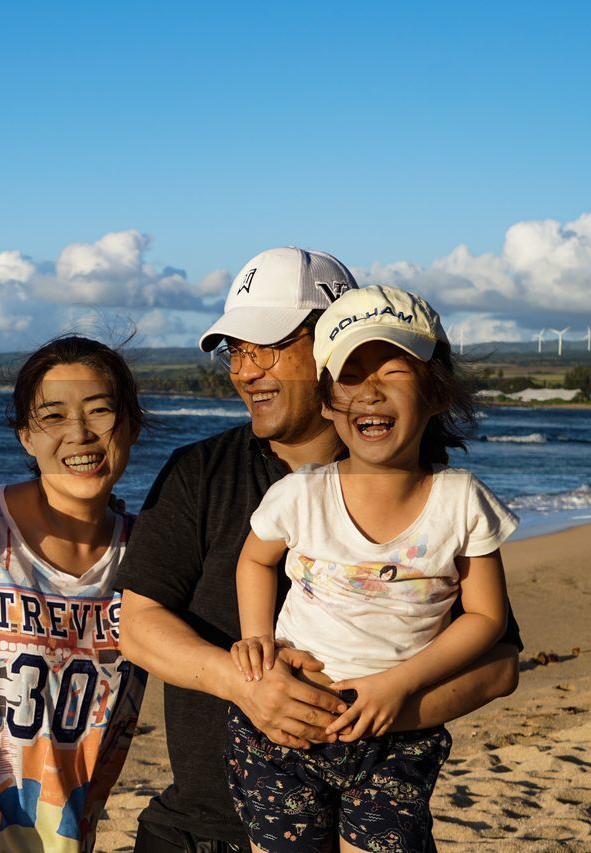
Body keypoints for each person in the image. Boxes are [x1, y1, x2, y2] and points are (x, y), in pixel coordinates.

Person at [117, 247, 522, 852]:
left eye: (268, 346)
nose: (246, 370)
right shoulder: (199, 471)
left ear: (325, 345)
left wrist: (362, 717)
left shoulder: (428, 494)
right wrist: (245, 684)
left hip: (369, 814)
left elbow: (498, 666)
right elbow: (138, 625)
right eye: (237, 351)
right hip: (200, 832)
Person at [225, 285, 515, 852]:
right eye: (350, 376)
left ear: (435, 394)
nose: (371, 392)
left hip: (397, 739)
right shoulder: (301, 494)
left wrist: (400, 684)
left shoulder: (460, 502)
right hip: (286, 734)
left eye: (394, 371)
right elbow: (256, 560)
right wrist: (257, 638)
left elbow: (486, 617)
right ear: (328, 400)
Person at [0, 335, 148, 853]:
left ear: (131, 425)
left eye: (100, 411)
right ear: (26, 436)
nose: (80, 434)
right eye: (53, 417)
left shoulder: (151, 556)